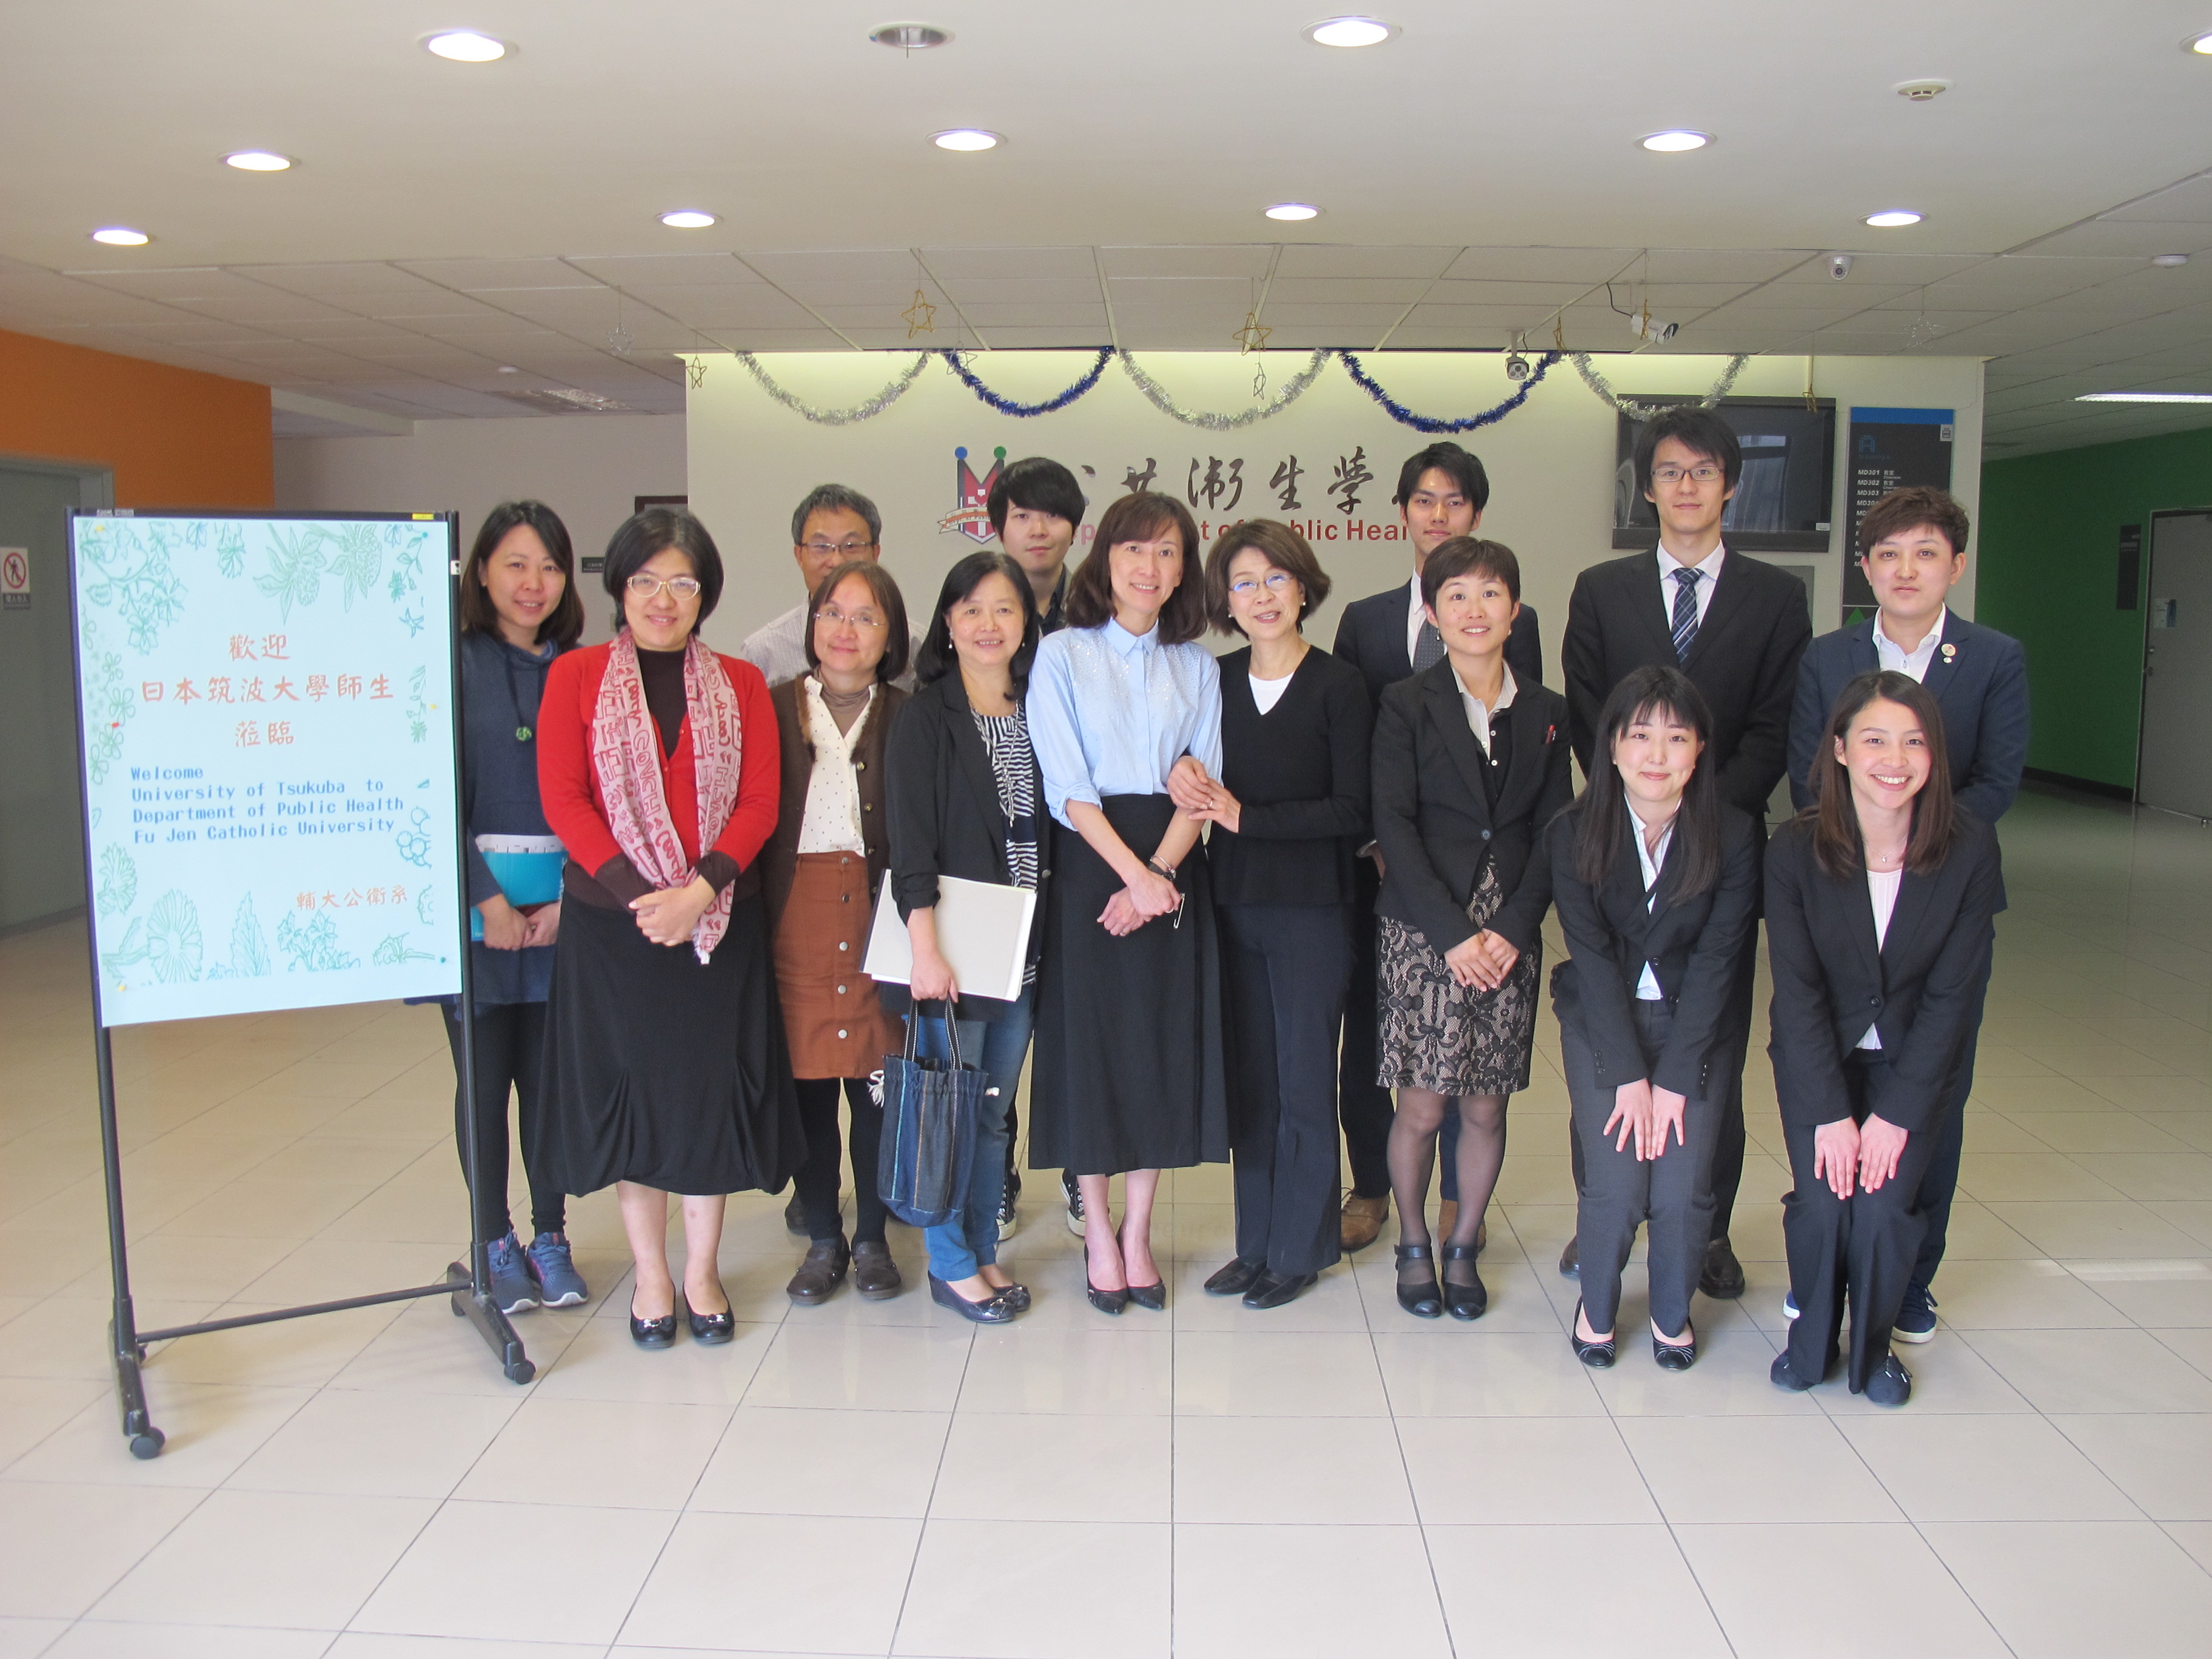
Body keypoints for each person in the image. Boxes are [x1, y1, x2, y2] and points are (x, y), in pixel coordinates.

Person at [1560, 406, 1812, 1298]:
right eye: (1669, 471)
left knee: (1711, 1048)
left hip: (1722, 854)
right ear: (1647, 487)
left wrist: (1706, 822)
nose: (1687, 486)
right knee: (1607, 1044)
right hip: (1618, 848)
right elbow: (1590, 715)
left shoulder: (1776, 597)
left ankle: (1704, 1229)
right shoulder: (1602, 589)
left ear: (1730, 485)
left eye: (1704, 471)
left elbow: (1778, 724)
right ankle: (1605, 1216)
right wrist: (1639, 804)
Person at [536, 508, 797, 1349]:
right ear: (620, 587)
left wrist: (699, 892)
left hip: (718, 925)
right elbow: (564, 797)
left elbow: (760, 800)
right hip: (615, 932)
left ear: (704, 595)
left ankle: (702, 1270)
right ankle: (651, 1274)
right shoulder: (575, 677)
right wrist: (644, 896)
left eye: (682, 583)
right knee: (637, 1101)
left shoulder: (741, 683)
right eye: (646, 580)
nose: (663, 598)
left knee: (705, 1098)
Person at [1786, 485, 2026, 1342]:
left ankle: (1913, 1278)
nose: (1906, 570)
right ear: (1865, 567)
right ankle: (1826, 1264)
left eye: (1926, 553)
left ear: (1955, 566)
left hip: (1943, 900)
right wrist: (1865, 853)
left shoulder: (1992, 658)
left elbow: (1997, 780)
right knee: (1831, 1077)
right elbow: (1809, 773)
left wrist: (1922, 851)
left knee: (1932, 1093)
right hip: (1843, 896)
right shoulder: (1828, 658)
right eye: (1888, 554)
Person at [1766, 670, 2002, 1406]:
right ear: (1839, 749)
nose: (1894, 760)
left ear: (1935, 756)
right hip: (1822, 1061)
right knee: (1824, 1199)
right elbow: (1797, 994)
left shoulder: (1969, 848)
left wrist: (1895, 1116)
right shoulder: (1794, 849)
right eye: (1875, 740)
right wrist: (1831, 1114)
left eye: (1914, 742)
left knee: (1882, 1202)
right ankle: (1810, 1338)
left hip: (1915, 1065)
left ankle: (1873, 1352)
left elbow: (1953, 998)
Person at [1330, 442, 1541, 1254]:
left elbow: (1521, 754)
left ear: (1476, 513)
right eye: (1425, 499)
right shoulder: (1367, 619)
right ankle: (1372, 1187)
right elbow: (1353, 745)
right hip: (1387, 875)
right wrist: (1382, 847)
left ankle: (1459, 1204)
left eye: (1455, 501)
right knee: (1377, 1042)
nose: (1439, 514)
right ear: (1403, 512)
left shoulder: (1515, 624)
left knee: (1475, 1060)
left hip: (1486, 884)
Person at [1028, 491, 1230, 1315]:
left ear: (1184, 571)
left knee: (1158, 1049)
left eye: (1168, 552)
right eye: (1135, 549)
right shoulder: (1063, 654)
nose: (1150, 567)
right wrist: (1134, 877)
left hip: (1173, 865)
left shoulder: (1198, 667)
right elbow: (1067, 785)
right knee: (1094, 1051)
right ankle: (1099, 1233)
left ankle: (1139, 1230)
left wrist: (1158, 876)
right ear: (1105, 558)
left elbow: (1203, 785)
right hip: (1091, 864)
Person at [1370, 537, 1572, 1320]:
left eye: (1491, 594)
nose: (1474, 609)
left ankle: (1463, 1243)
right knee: (1422, 1106)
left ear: (1515, 611)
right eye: (1456, 595)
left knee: (1487, 1105)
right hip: (1426, 931)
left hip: (1509, 931)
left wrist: (1514, 927)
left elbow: (1556, 827)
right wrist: (1454, 934)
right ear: (1432, 612)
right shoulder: (1405, 703)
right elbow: (1394, 823)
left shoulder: (1547, 710)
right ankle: (1414, 1242)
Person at [1175, 520, 1369, 1310]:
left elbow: (1353, 808)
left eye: (1276, 579)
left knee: (1303, 1081)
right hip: (1232, 904)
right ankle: (1256, 1244)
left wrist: (1245, 817)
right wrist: (1185, 779)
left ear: (1304, 588)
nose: (1262, 596)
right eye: (1245, 582)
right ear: (1226, 599)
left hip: (1313, 911)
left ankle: (1302, 1248)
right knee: (1251, 1082)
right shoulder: (1212, 680)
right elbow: (1186, 768)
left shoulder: (1340, 685)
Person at [1547, 666, 1759, 1370]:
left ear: (1700, 750)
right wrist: (1629, 1074)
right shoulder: (1572, 832)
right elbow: (1592, 958)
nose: (1657, 755)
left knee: (1683, 1188)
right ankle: (1597, 1309)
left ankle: (1672, 1312)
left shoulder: (1734, 834)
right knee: (1616, 1186)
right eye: (1640, 736)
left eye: (1677, 737)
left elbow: (1719, 961)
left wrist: (1673, 1077)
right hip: (1604, 1025)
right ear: (1611, 747)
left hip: (1695, 1028)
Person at [885, 550, 1051, 1323]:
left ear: (1027, 623)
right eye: (972, 609)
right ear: (948, 623)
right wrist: (924, 951)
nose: (989, 624)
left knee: (990, 1110)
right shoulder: (925, 717)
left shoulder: (1041, 707)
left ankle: (981, 1250)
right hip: (955, 952)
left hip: (1026, 949)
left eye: (1005, 608)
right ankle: (951, 1267)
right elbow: (910, 846)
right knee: (949, 1109)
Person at [444, 501, 589, 1315]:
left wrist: (573, 899)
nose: (534, 583)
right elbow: (430, 791)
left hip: (563, 915)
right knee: (483, 1083)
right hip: (475, 916)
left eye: (550, 566)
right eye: (516, 564)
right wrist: (485, 899)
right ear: (482, 572)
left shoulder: (583, 668)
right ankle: (492, 1241)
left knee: (547, 1085)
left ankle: (550, 1236)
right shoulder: (450, 664)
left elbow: (603, 797)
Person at [760, 560, 911, 1307]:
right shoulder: (771, 708)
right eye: (833, 614)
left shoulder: (911, 715)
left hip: (883, 914)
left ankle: (875, 1237)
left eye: (866, 617)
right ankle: (824, 1235)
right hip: (797, 915)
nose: (846, 630)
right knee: (809, 1089)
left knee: (879, 1085)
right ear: (812, 624)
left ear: (891, 636)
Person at [983, 456, 1088, 1236]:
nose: (1038, 529)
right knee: (1003, 1016)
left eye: (1052, 514)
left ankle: (1085, 1171)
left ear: (1074, 528)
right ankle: (999, 1174)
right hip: (1004, 843)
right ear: (1000, 526)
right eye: (1022, 514)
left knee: (1076, 1020)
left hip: (1084, 840)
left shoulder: (1096, 609)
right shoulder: (982, 605)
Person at [740, 483, 885, 690]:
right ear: (799, 555)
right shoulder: (764, 653)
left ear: (875, 553)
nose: (837, 562)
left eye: (851, 546)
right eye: (821, 547)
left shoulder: (914, 645)